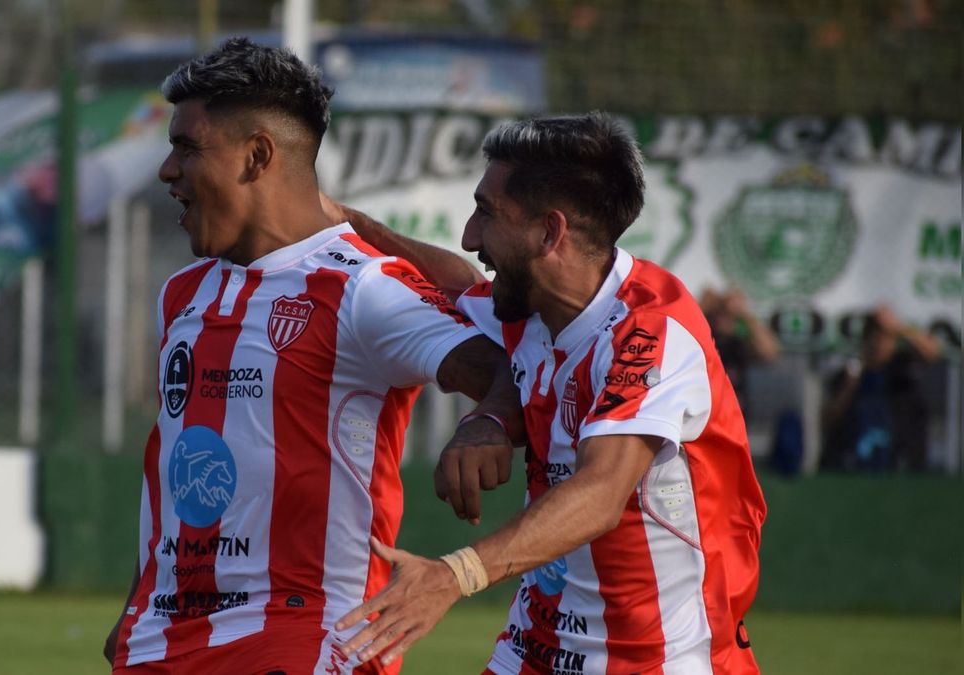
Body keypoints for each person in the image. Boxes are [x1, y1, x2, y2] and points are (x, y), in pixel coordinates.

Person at [103, 38, 523, 675]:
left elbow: (507, 370)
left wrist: (485, 423)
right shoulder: (182, 293)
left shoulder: (362, 287)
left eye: (187, 148)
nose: (167, 170)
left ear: (257, 156)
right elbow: (172, 461)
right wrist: (138, 601)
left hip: (308, 633)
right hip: (163, 635)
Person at [330, 114, 767, 674]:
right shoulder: (531, 307)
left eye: (487, 213)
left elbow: (601, 491)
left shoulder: (651, 331)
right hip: (531, 649)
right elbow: (455, 283)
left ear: (548, 233)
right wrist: (343, 221)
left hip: (654, 661)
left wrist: (454, 575)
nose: (470, 236)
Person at [821, 304, 941, 472]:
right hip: (853, 464)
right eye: (874, 336)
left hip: (900, 465)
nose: (878, 344)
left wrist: (898, 327)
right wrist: (849, 387)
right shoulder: (850, 373)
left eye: (886, 338)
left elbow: (932, 353)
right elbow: (827, 421)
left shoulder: (903, 369)